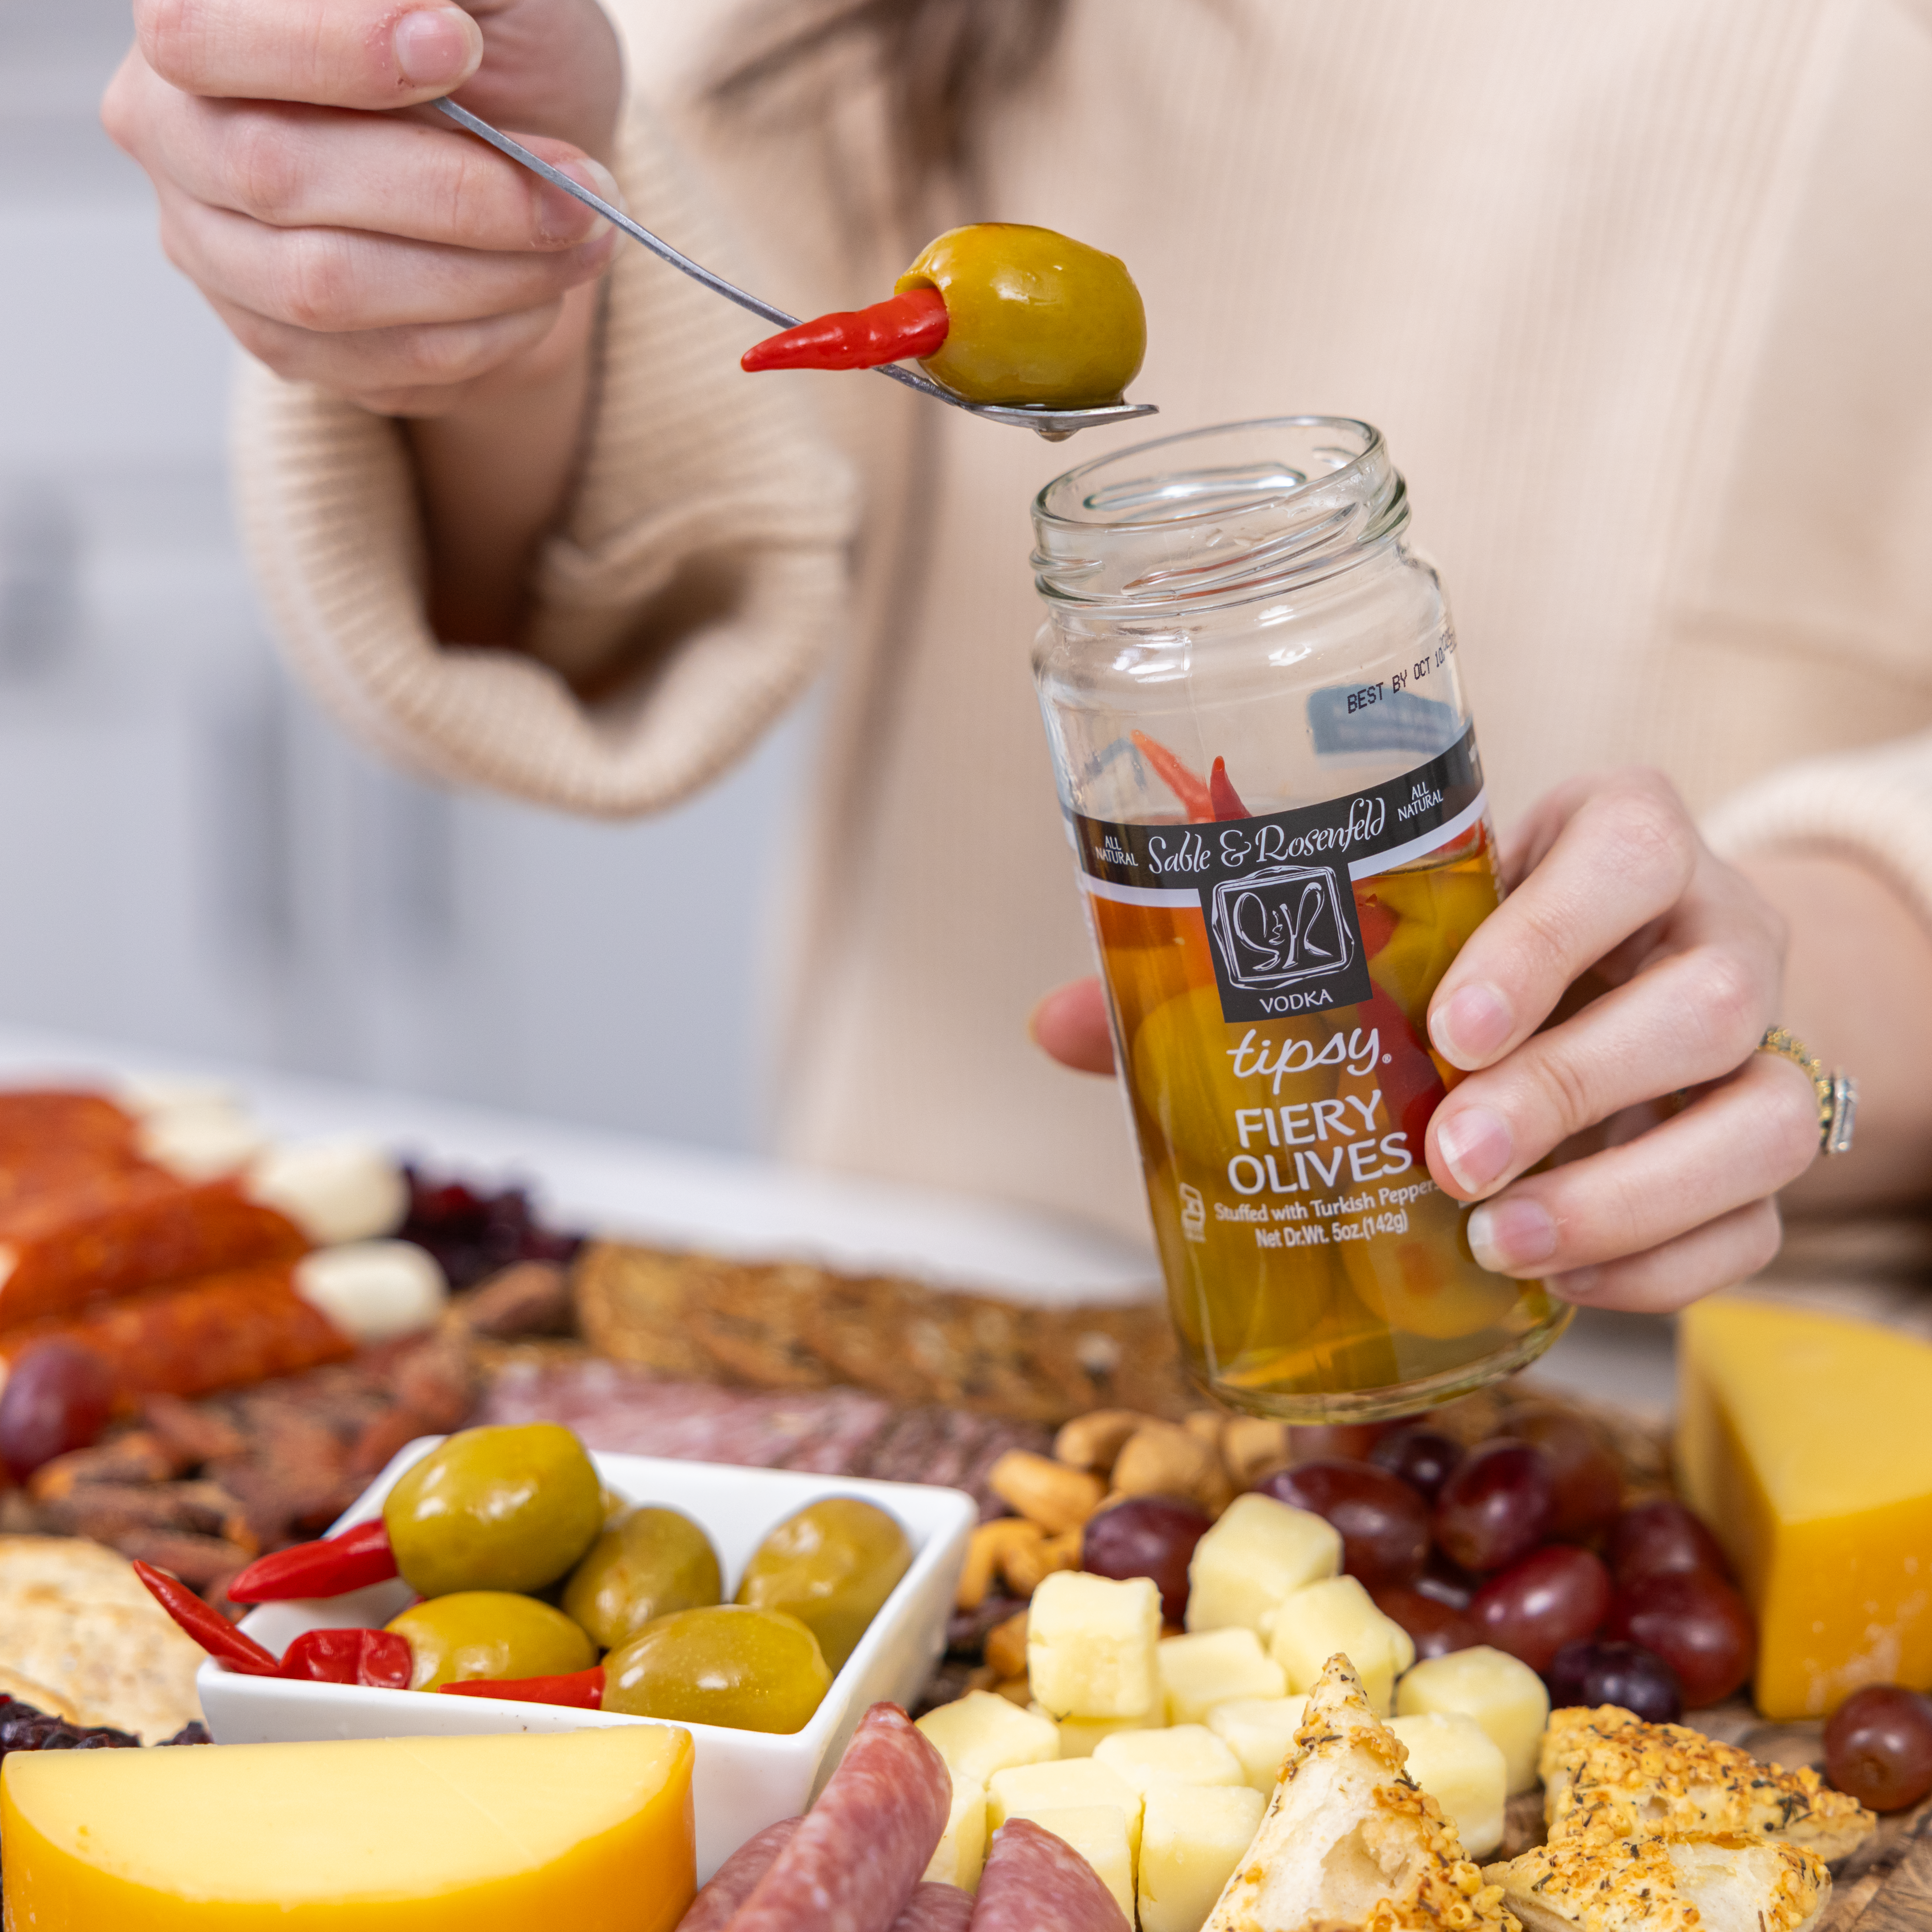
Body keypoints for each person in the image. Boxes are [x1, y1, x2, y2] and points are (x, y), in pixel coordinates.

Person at [103, 0, 1932, 1318]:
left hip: (1695, 1388)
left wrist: (1778, 1009)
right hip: (951, 1326)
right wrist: (477, 292)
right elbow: (631, 524)